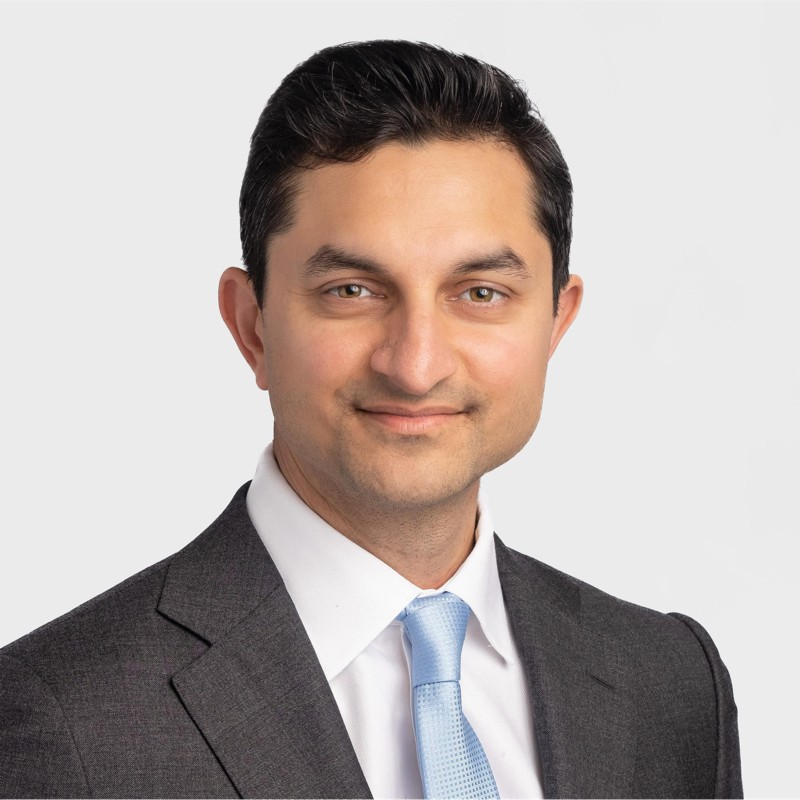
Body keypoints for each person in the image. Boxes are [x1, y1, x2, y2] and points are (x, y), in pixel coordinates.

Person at [0, 40, 742, 799]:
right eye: (352, 291)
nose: (415, 365)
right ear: (251, 326)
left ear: (557, 322)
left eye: (480, 293)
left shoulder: (671, 686)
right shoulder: (59, 723)